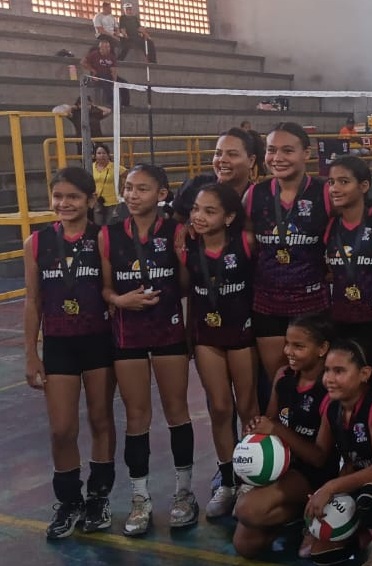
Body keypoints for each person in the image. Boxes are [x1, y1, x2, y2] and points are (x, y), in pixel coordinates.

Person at [98, 164, 195, 536]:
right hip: (128, 335)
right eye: (128, 187)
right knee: (136, 416)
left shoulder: (175, 232)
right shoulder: (109, 234)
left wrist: (181, 259)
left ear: (162, 194)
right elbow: (106, 288)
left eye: (142, 188)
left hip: (168, 330)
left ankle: (184, 493)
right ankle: (140, 498)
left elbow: (184, 284)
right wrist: (119, 300)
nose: (132, 194)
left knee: (177, 411)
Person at [24, 167, 117, 539]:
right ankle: (68, 500)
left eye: (73, 196)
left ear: (90, 200)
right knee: (62, 429)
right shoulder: (37, 242)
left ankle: (98, 497)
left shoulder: (104, 238)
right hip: (59, 344)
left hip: (99, 341)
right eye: (58, 196)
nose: (64, 203)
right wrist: (31, 353)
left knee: (101, 420)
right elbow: (33, 301)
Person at [233, 314, 337, 559]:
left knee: (247, 509)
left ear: (322, 349)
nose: (288, 351)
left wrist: (275, 429)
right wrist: (256, 432)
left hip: (316, 474)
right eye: (287, 343)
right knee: (245, 545)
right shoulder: (283, 375)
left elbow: (319, 458)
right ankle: (303, 513)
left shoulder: (330, 388)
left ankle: (317, 511)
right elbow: (272, 420)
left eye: (298, 346)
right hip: (285, 466)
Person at [243, 122, 331, 411]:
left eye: (287, 150)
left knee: (316, 385)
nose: (277, 157)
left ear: (306, 153)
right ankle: (282, 438)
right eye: (271, 150)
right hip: (267, 305)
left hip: (312, 304)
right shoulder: (254, 195)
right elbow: (243, 240)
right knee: (280, 382)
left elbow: (356, 220)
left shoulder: (325, 192)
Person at [185, 182, 259, 517]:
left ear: (229, 217)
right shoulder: (186, 245)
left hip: (242, 334)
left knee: (248, 408)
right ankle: (227, 481)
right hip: (207, 337)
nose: (199, 216)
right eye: (196, 209)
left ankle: (250, 478)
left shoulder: (246, 243)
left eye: (209, 211)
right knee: (218, 408)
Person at [305, 340, 372, 566]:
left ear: (364, 374)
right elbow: (327, 457)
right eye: (327, 370)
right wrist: (319, 498)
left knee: (371, 497)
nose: (329, 378)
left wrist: (331, 487)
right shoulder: (332, 407)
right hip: (363, 485)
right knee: (322, 553)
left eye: (339, 371)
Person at [323, 156, 372, 397]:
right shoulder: (328, 225)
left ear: (364, 186)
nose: (335, 188)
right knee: (349, 397)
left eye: (344, 181)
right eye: (331, 182)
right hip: (342, 324)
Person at [173, 127, 266, 223]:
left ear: (251, 161)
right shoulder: (195, 186)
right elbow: (174, 225)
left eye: (232, 154)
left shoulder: (261, 198)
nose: (222, 159)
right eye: (218, 153)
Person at [81, 36, 118, 106]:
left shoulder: (112, 56)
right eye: (106, 47)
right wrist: (92, 70)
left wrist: (115, 81)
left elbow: (113, 70)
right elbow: (83, 62)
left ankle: (125, 104)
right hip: (98, 75)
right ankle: (111, 102)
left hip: (108, 75)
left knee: (123, 82)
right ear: (101, 48)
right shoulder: (94, 54)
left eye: (108, 47)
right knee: (106, 81)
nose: (108, 49)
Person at [92, 143, 118, 225]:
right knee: (98, 225)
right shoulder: (91, 167)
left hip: (112, 202)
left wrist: (123, 188)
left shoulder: (114, 167)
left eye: (104, 153)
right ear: (95, 155)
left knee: (110, 226)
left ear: (108, 155)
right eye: (99, 153)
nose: (101, 155)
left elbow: (127, 175)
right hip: (97, 202)